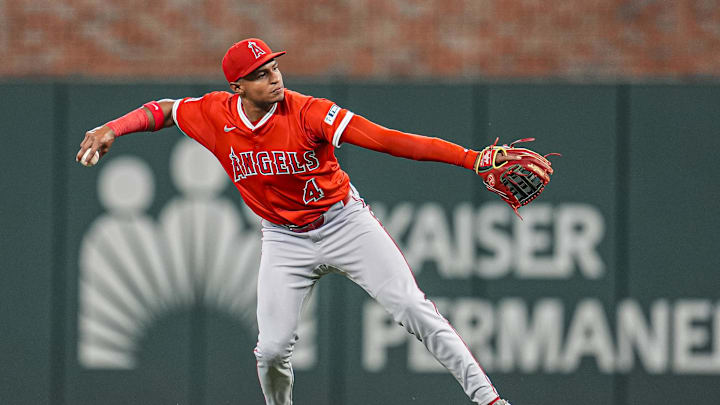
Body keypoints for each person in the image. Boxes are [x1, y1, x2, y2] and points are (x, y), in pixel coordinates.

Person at [76, 38, 514, 405]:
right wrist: (112, 128)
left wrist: (471, 158)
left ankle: (489, 400)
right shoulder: (215, 114)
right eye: (261, 73)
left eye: (274, 67)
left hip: (343, 223)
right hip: (285, 240)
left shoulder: (308, 112)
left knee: (412, 308)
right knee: (270, 351)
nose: (275, 78)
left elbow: (387, 140)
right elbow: (164, 110)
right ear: (238, 86)